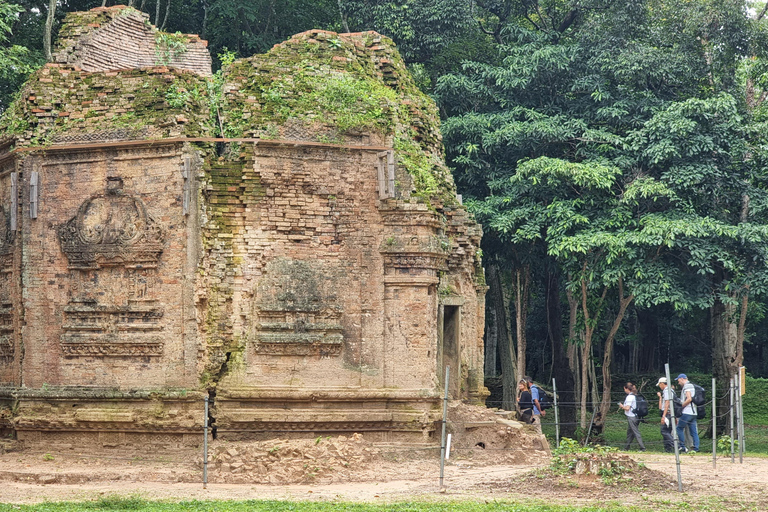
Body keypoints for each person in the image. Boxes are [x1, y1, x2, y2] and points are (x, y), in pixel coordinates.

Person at [675, 373, 700, 453]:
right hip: (693, 412)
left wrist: (681, 406)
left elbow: (689, 399)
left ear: (682, 379)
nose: (678, 383)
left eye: (678, 380)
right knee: (693, 431)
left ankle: (682, 446)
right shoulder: (692, 386)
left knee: (679, 428)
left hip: (687, 412)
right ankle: (696, 448)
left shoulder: (687, 386)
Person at [618, 382, 646, 451]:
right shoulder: (634, 396)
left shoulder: (629, 397)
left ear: (626, 388)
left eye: (624, 389)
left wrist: (621, 406)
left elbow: (627, 408)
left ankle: (642, 448)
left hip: (631, 416)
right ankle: (626, 447)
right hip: (635, 416)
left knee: (635, 432)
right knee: (630, 433)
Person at [656, 377, 675, 453]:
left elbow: (667, 403)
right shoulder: (672, 390)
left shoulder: (667, 391)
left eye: (660, 385)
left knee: (664, 431)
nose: (660, 387)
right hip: (672, 413)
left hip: (668, 414)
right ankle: (668, 449)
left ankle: (677, 445)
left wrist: (663, 416)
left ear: (662, 384)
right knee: (668, 431)